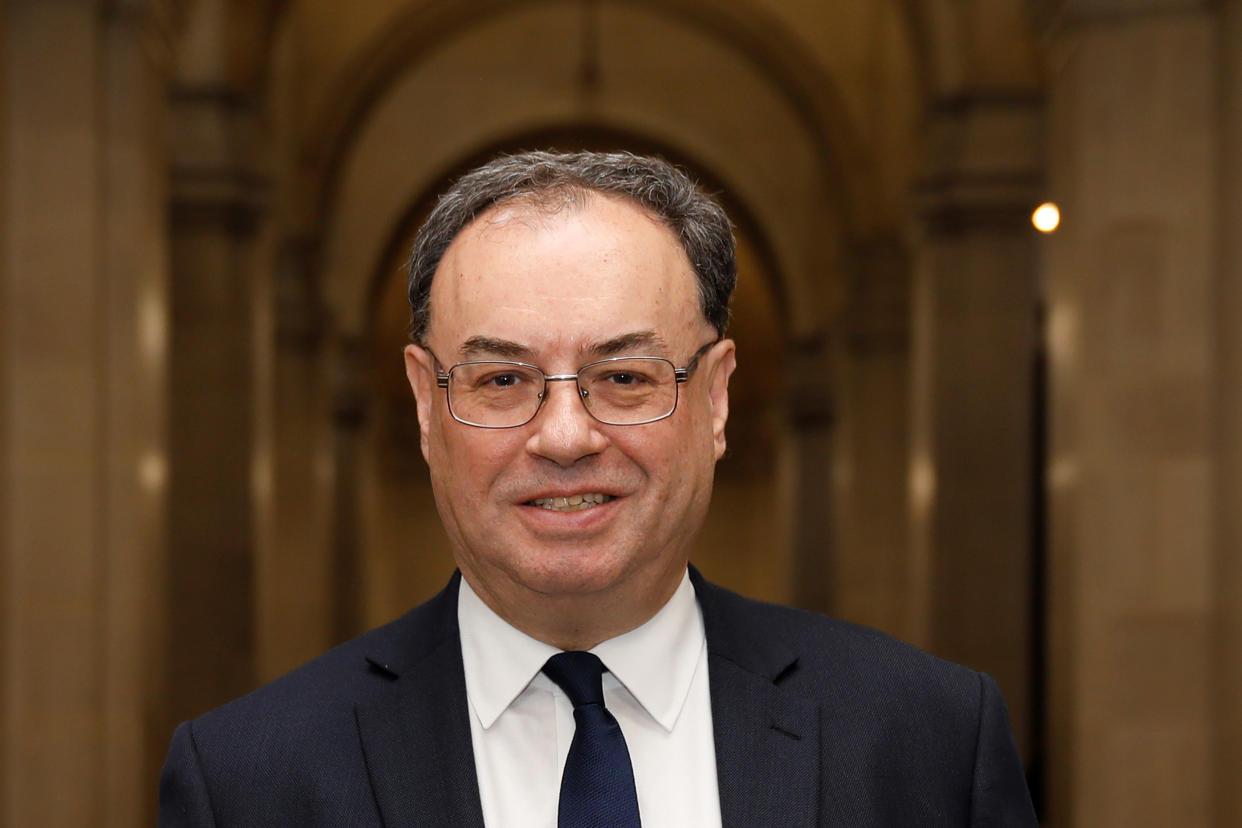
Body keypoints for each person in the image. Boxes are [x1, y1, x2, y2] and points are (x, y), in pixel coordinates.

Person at [158, 150, 1038, 826]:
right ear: (428, 404)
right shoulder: (247, 781)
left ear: (717, 396)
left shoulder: (926, 742)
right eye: (501, 382)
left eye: (625, 377)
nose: (566, 437)